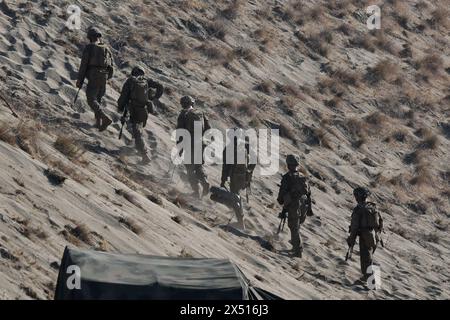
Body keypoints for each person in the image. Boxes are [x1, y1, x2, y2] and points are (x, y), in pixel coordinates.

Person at [117, 66, 164, 164]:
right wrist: (154, 98)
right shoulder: (147, 80)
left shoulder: (130, 81)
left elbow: (124, 96)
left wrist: (120, 106)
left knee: (137, 132)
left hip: (134, 109)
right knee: (139, 128)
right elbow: (160, 86)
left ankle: (145, 154)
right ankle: (137, 147)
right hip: (144, 110)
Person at [76, 27, 114, 132]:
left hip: (94, 75)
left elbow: (83, 65)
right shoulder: (106, 48)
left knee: (91, 99)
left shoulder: (89, 47)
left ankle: (105, 118)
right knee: (98, 99)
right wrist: (107, 77)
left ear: (90, 37)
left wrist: (80, 79)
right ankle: (98, 123)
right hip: (104, 76)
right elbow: (112, 66)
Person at [277, 155, 312, 258]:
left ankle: (298, 250)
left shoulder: (287, 177)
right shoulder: (303, 176)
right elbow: (308, 193)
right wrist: (309, 209)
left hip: (294, 205)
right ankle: (295, 246)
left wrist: (281, 201)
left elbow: (282, 193)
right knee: (296, 226)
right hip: (303, 205)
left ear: (288, 165)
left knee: (293, 226)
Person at [176, 96, 210, 198]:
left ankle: (196, 191)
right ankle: (205, 182)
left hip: (190, 144)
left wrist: (180, 148)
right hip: (200, 143)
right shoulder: (200, 113)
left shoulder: (183, 114)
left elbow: (180, 133)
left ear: (183, 104)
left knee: (190, 168)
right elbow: (208, 128)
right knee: (198, 165)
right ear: (192, 103)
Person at [221, 131, 256, 228]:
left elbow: (225, 167)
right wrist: (249, 174)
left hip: (235, 177)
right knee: (237, 196)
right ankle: (240, 219)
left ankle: (240, 222)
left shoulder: (229, 148)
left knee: (235, 196)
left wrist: (223, 180)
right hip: (244, 177)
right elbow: (254, 160)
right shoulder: (246, 146)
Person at [347, 187, 383, 281]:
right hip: (375, 236)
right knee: (369, 257)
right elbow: (380, 222)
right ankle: (368, 279)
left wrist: (351, 241)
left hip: (365, 236)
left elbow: (354, 228)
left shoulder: (358, 209)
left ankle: (373, 284)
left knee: (366, 260)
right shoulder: (373, 206)